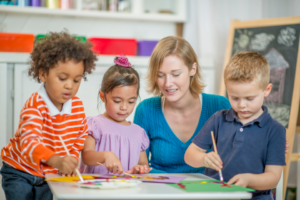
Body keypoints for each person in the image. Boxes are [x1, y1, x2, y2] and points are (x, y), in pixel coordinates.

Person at [0, 31, 97, 200]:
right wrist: (56, 160)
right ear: (43, 74)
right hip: (19, 171)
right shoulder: (35, 105)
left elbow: (79, 137)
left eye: (76, 80)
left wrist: (70, 160)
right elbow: (29, 144)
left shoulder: (77, 106)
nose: (69, 86)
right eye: (62, 78)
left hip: (49, 175)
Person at [185, 52, 286, 200]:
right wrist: (203, 158)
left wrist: (249, 180)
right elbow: (189, 155)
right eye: (234, 97)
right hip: (215, 194)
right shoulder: (218, 119)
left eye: (249, 98)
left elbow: (273, 177)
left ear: (267, 90)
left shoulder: (275, 130)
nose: (241, 105)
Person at [133, 36, 231, 173]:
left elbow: (235, 158)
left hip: (208, 191)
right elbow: (140, 168)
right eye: (160, 75)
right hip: (162, 191)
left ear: (193, 69)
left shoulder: (220, 106)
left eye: (176, 74)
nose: (167, 83)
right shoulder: (145, 110)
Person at [80, 55, 151, 175]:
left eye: (131, 101)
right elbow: (86, 156)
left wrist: (140, 169)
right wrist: (106, 155)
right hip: (96, 191)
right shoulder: (95, 125)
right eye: (117, 101)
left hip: (127, 191)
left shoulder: (138, 133)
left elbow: (144, 164)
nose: (124, 107)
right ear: (102, 96)